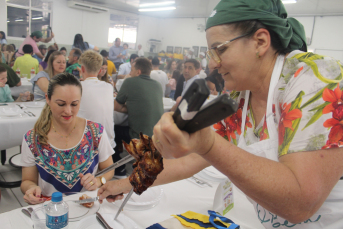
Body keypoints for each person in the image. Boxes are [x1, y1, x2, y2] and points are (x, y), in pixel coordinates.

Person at [98, 1, 343, 228]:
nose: (213, 64)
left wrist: (208, 145)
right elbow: (190, 161)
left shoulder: (317, 78)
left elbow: (301, 203)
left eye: (219, 50)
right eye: (210, 54)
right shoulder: (240, 98)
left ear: (260, 41)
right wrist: (125, 183)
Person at [20, 73, 114, 203]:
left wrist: (99, 180)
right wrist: (31, 189)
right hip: (50, 210)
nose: (68, 111)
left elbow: (109, 169)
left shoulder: (95, 132)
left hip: (88, 206)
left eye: (74, 104)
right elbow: (27, 180)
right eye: (61, 104)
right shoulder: (32, 139)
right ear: (48, 99)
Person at [77, 51, 116, 175]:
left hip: (87, 144)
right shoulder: (109, 87)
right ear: (100, 70)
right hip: (108, 141)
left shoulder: (77, 87)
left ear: (82, 68)